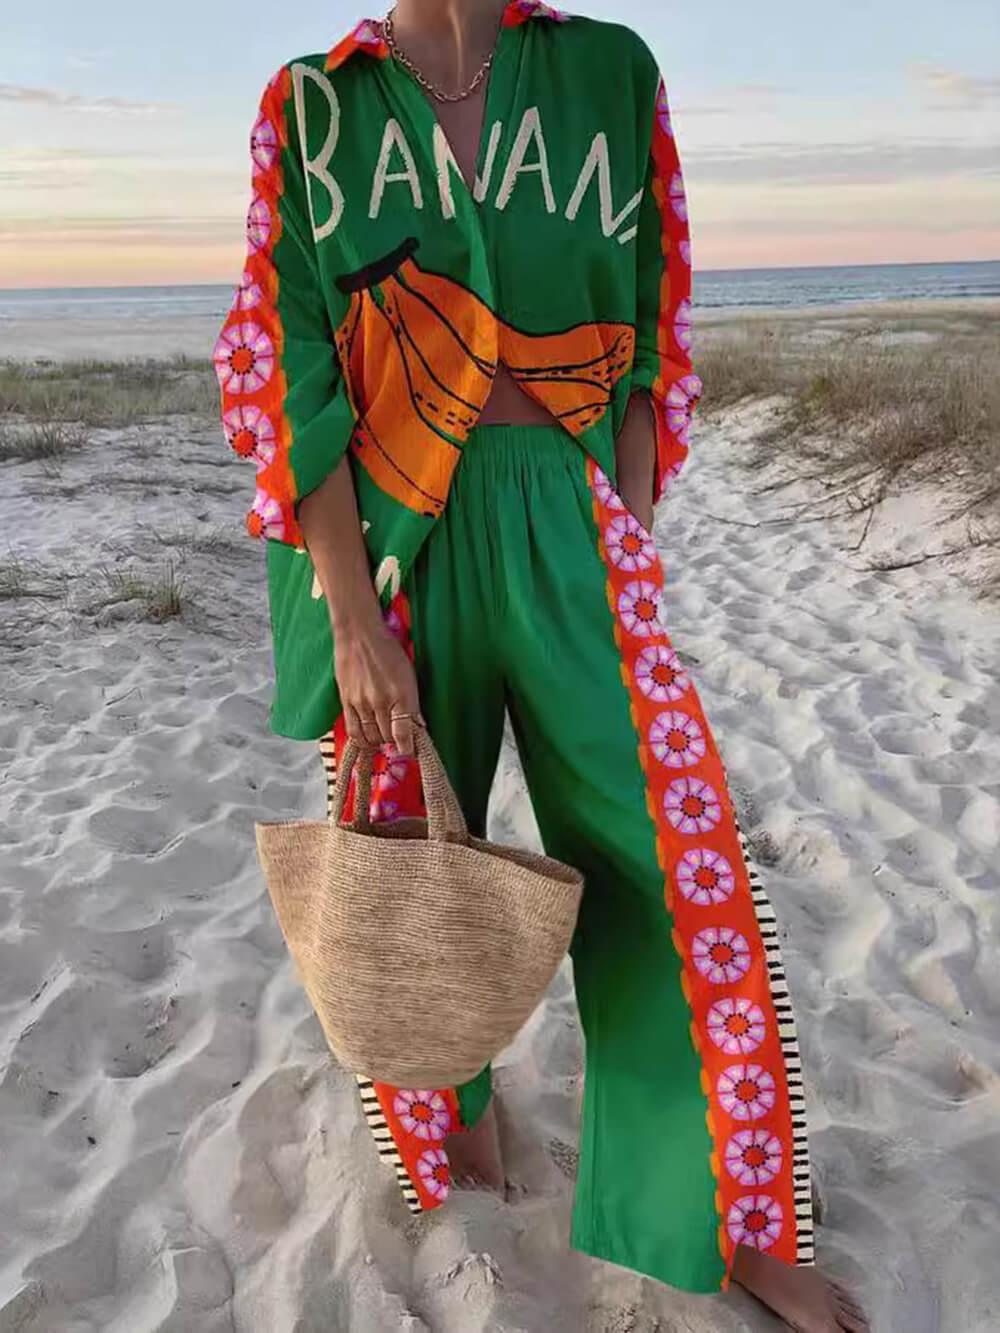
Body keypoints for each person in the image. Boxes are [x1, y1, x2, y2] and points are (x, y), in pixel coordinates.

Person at [213, 2, 868, 1327]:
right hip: (396, 542)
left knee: (670, 864)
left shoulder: (607, 72)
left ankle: (719, 1213)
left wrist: (625, 522)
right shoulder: (313, 106)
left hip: (570, 517)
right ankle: (452, 1119)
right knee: (409, 854)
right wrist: (351, 618)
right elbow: (285, 366)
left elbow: (654, 313)